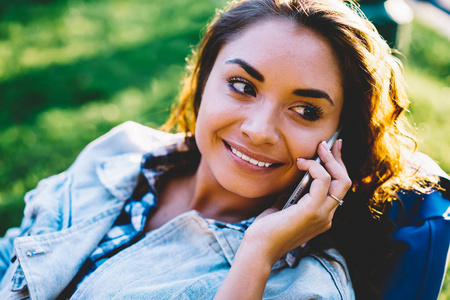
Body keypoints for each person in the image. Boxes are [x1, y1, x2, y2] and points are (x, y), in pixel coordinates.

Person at [0, 0, 447, 299]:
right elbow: (13, 254)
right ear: (204, 80)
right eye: (242, 85)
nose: (258, 130)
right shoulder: (121, 150)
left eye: (306, 111)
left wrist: (256, 256)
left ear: (339, 141)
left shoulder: (306, 287)